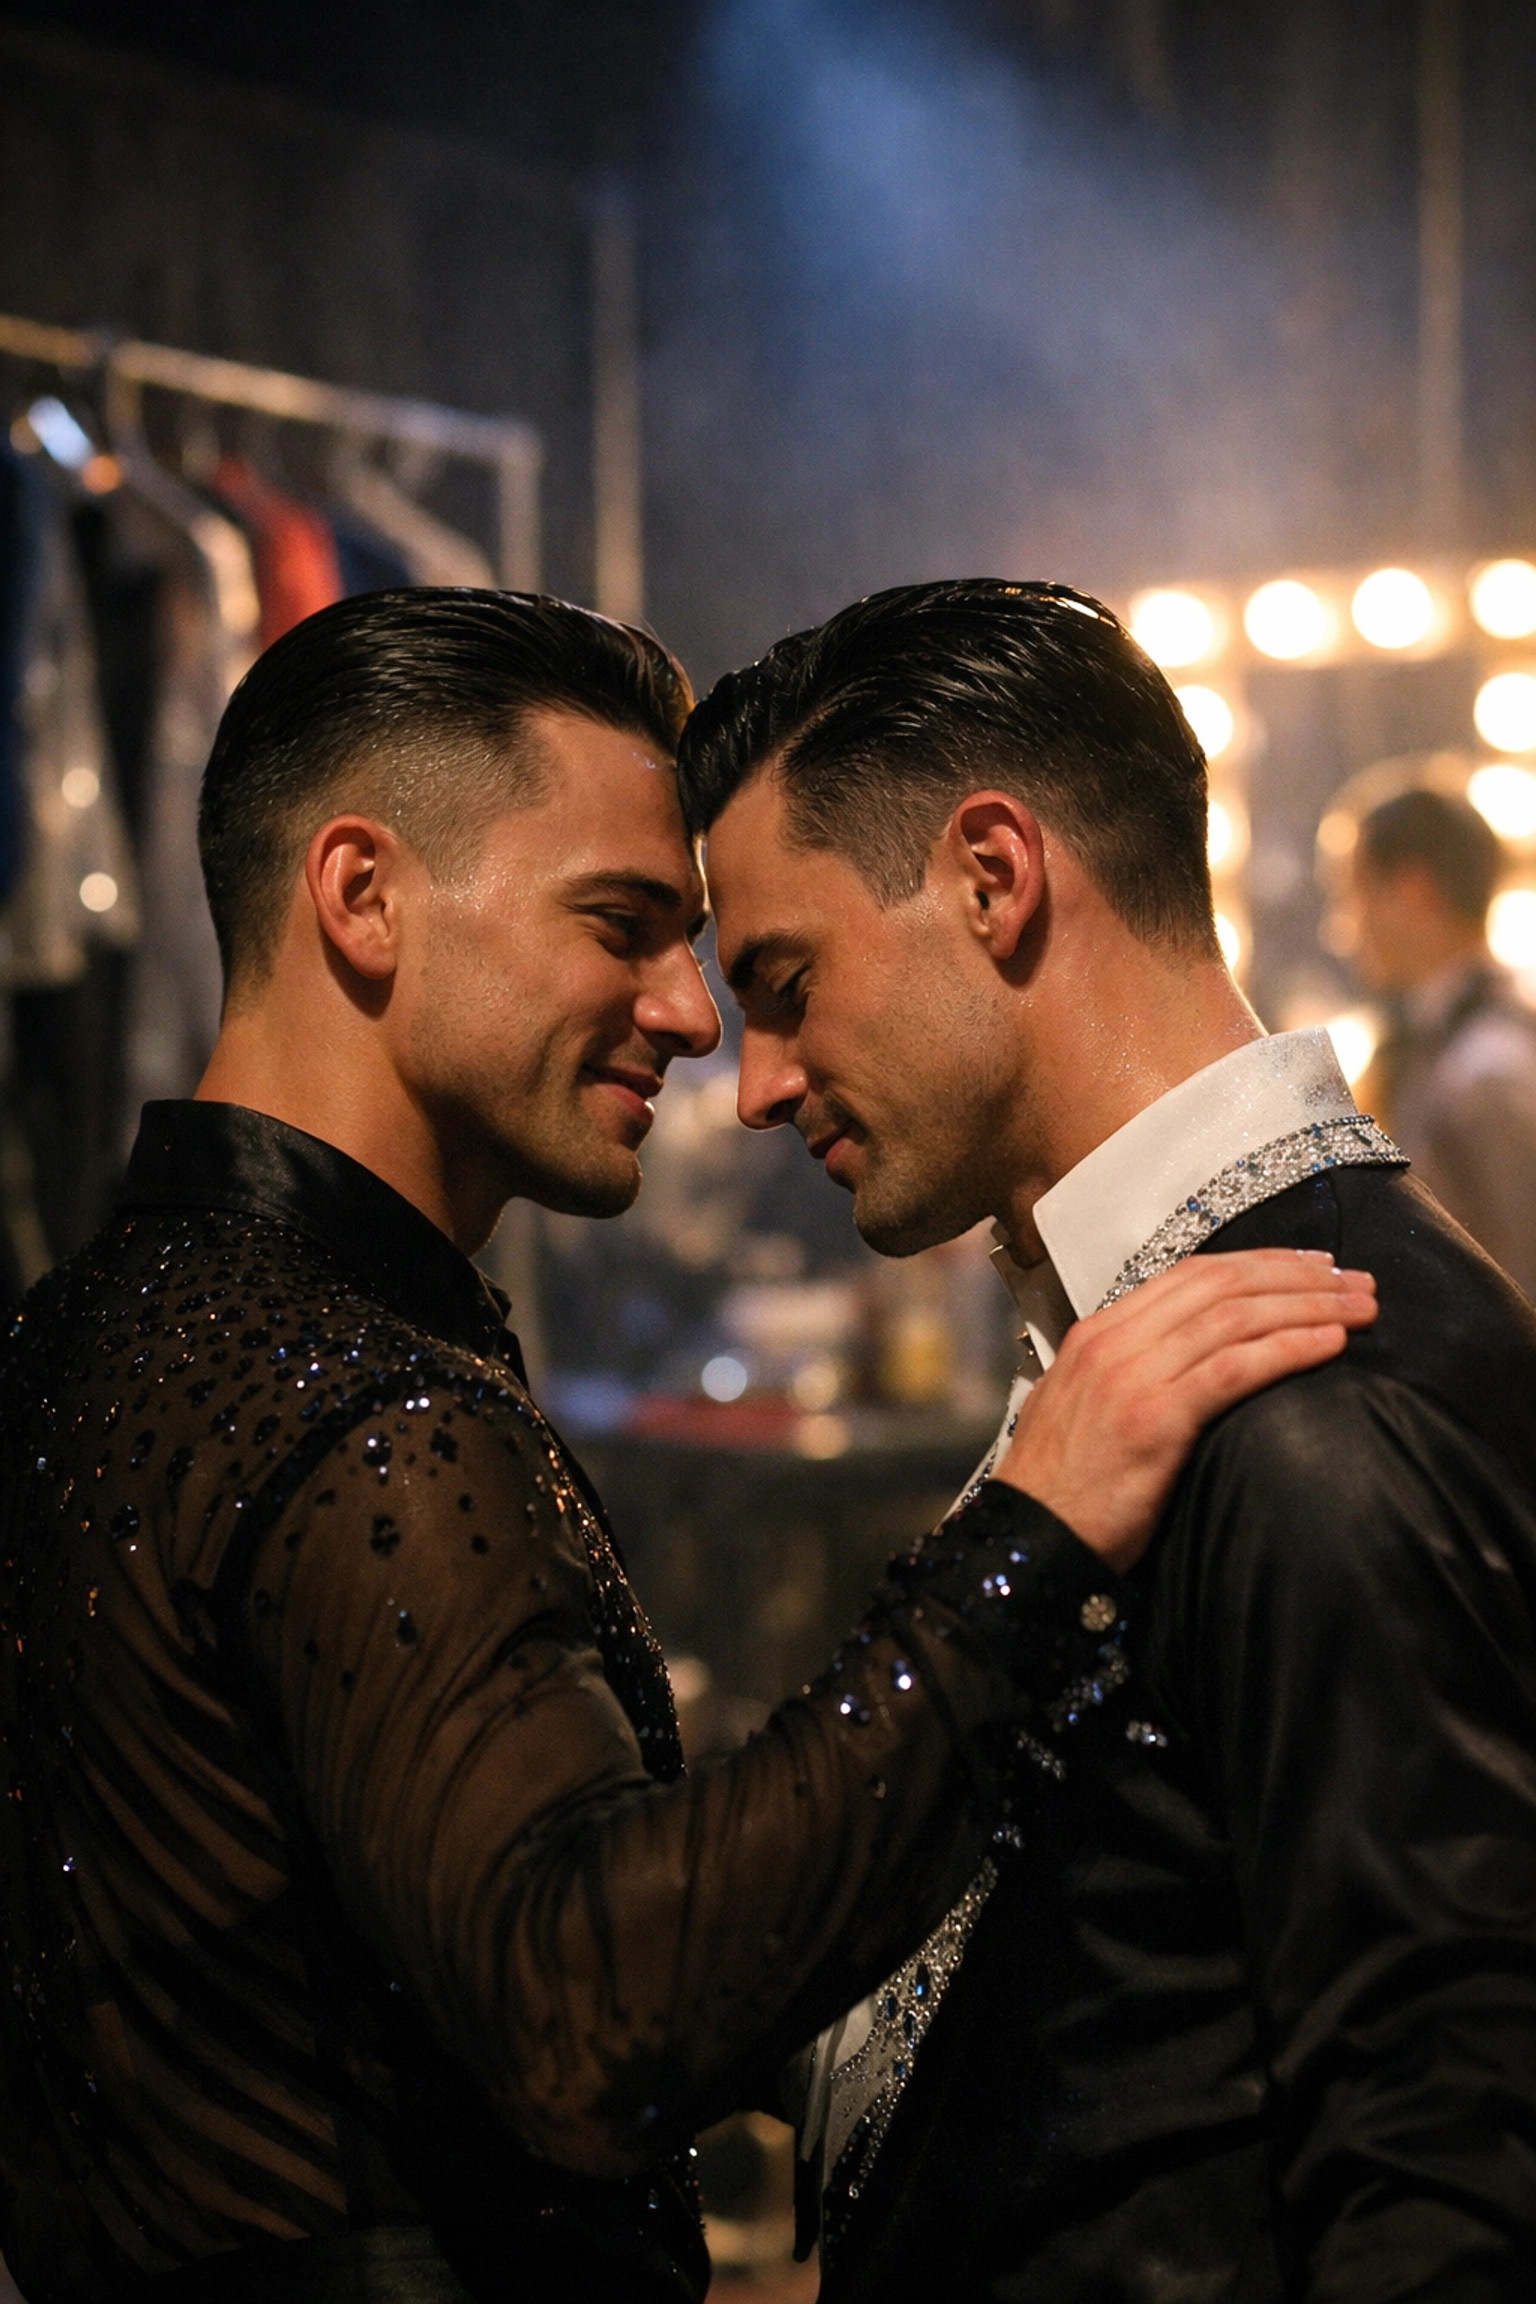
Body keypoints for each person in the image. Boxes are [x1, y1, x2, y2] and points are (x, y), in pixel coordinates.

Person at [0, 589, 1372, 2304]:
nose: (695, 1015)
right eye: (623, 923)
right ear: (361, 896)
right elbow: (591, 2019)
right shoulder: (362, 1406)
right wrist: (1020, 1538)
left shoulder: (76, 1331)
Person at [678, 578, 1536, 2304]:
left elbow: (1444, 2173)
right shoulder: (1168, 1332)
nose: (755, 1078)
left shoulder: (1310, 1393)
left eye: (784, 977)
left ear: (994, 876)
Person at [1348, 782, 1536, 1297]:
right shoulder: (1442, 1044)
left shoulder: (1487, 1071)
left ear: (1412, 888)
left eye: (1353, 893)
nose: (1342, 927)